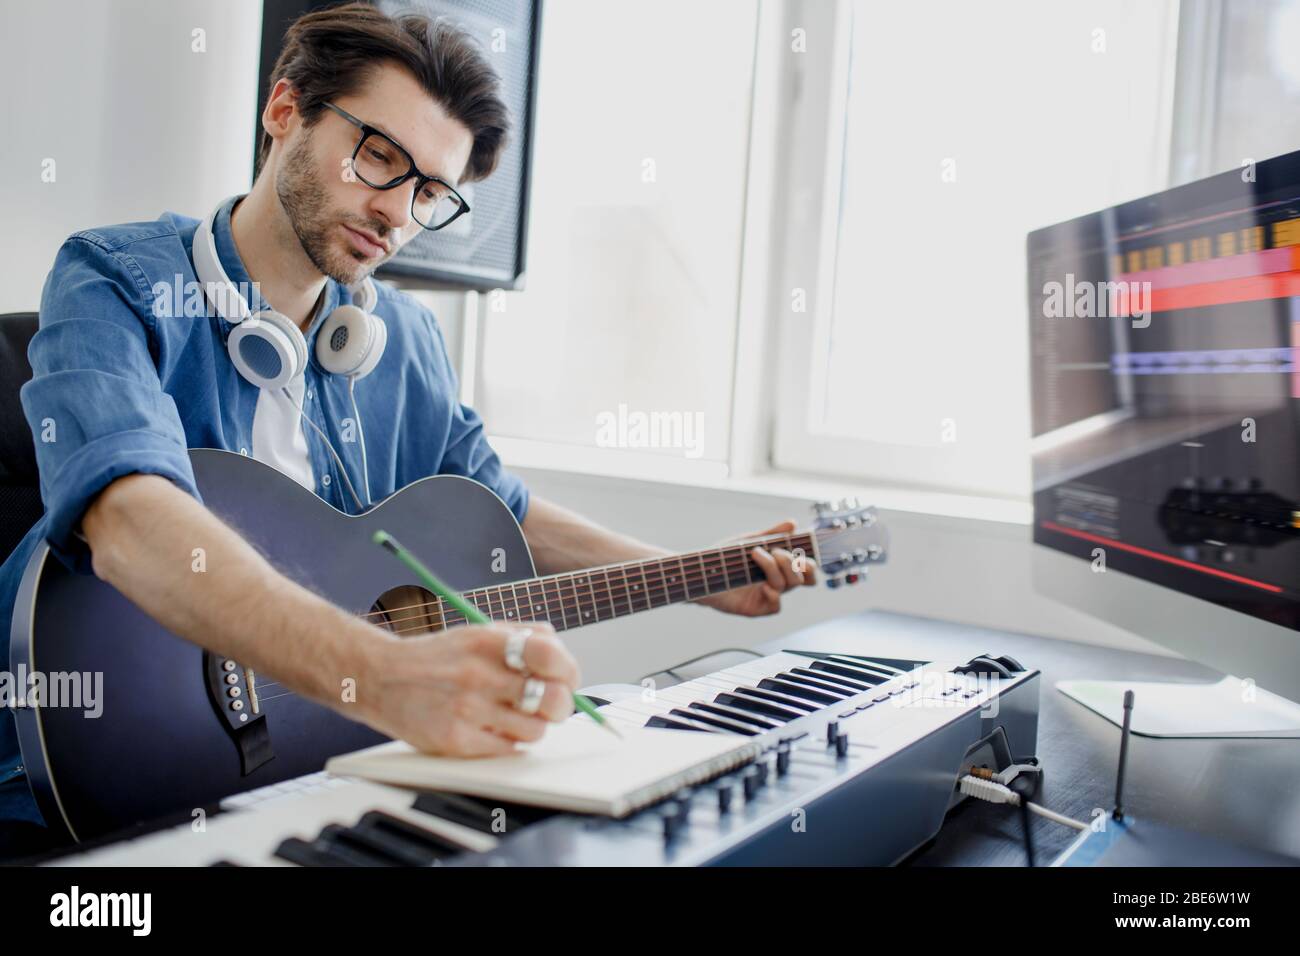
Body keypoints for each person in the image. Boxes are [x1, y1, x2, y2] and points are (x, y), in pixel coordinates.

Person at [0, 3, 812, 855]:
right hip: (68, 781)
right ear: (285, 111)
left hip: (312, 781)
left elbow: (507, 512)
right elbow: (129, 521)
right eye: (378, 157)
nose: (396, 213)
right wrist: (384, 676)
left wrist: (693, 576)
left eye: (429, 192)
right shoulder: (114, 279)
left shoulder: (404, 339)